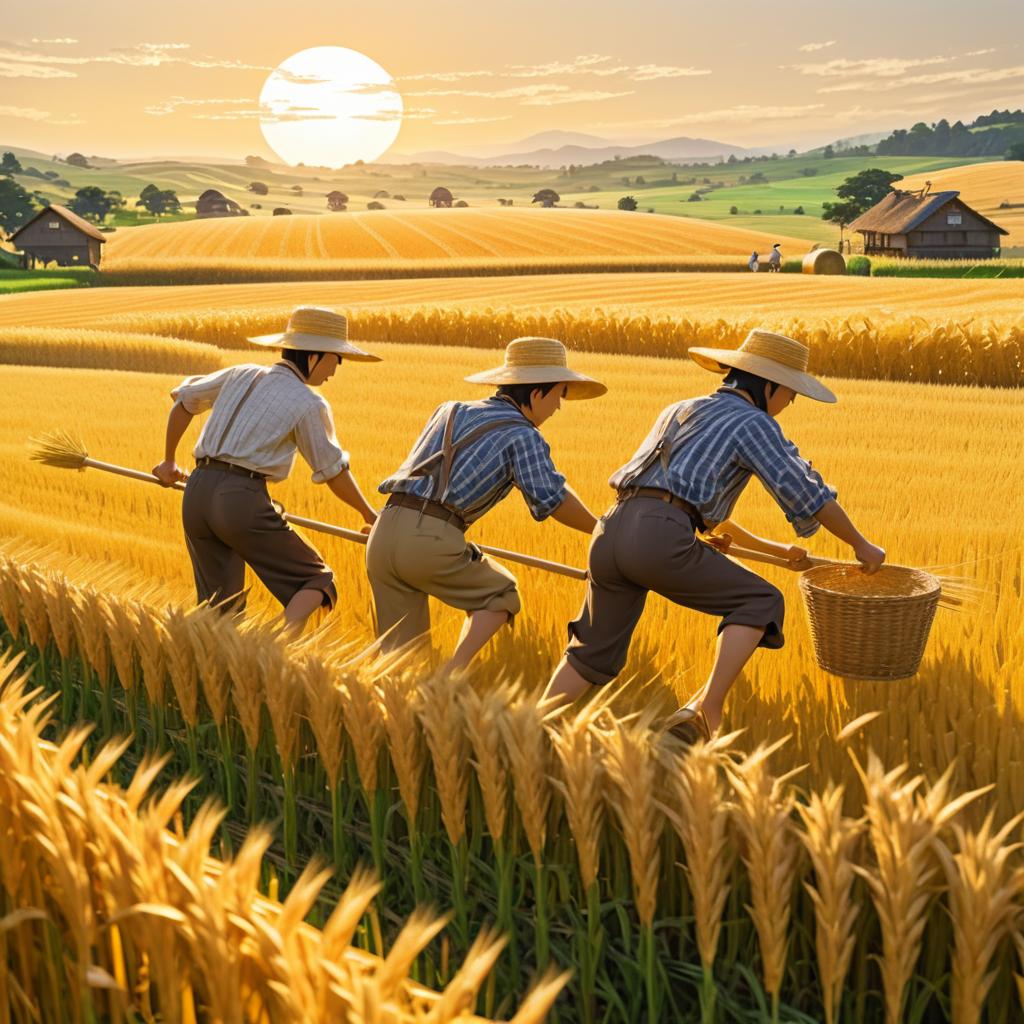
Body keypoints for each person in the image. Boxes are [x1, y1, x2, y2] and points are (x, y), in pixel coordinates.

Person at [543, 329, 885, 742]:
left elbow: (681, 501)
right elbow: (806, 492)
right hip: (659, 536)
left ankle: (533, 726)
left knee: (591, 651)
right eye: (790, 394)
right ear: (770, 386)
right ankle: (706, 711)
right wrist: (860, 544)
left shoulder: (680, 409)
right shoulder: (754, 423)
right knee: (760, 600)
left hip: (610, 529)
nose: (789, 404)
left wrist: (775, 549)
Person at [367, 336, 605, 671]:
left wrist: (397, 533)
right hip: (430, 541)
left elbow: (420, 475)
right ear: (537, 393)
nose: (559, 406)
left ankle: (395, 716)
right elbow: (553, 497)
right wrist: (600, 529)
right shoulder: (523, 434)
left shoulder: (449, 410)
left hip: (384, 530)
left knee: (400, 665)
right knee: (500, 593)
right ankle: (450, 676)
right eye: (559, 395)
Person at [153, 306, 380, 631]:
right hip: (240, 500)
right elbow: (332, 470)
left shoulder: (239, 373)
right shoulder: (309, 402)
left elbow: (184, 401)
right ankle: (276, 653)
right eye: (336, 359)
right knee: (317, 581)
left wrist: (169, 461)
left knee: (220, 613)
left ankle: (225, 672)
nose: (334, 370)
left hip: (197, 494)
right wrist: (370, 516)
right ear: (313, 356)